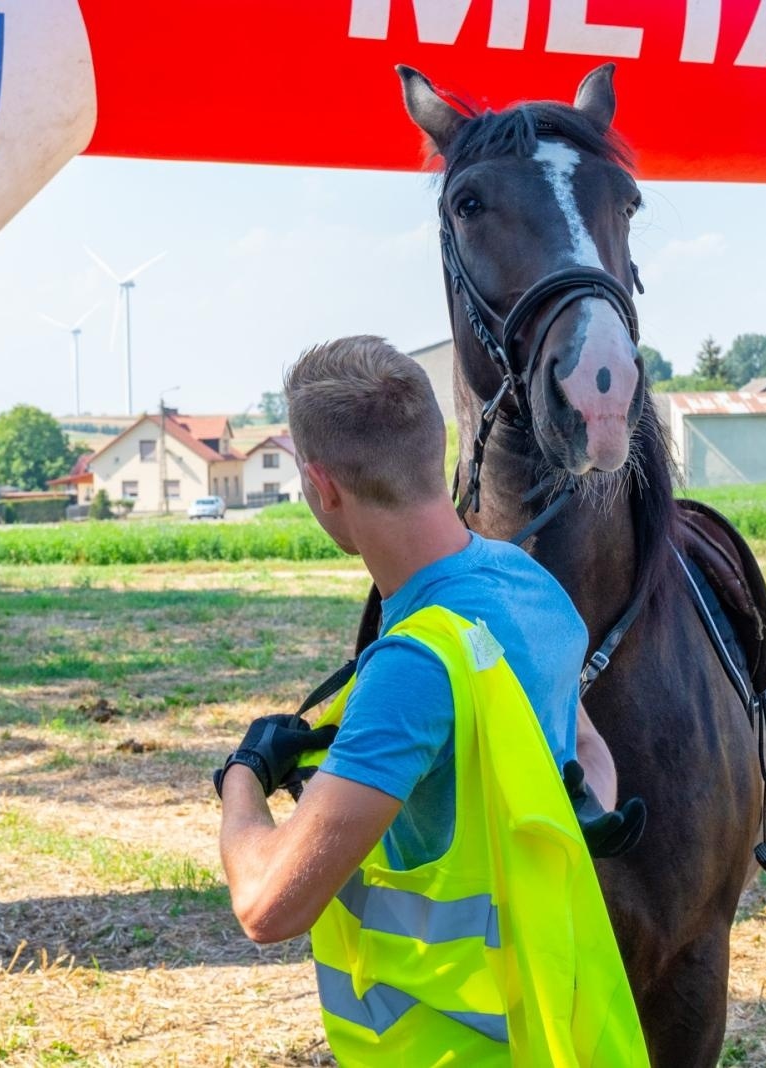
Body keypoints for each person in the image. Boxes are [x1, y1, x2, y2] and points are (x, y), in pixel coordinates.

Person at [215, 336, 648, 1065]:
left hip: (450, 1046)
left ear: (322, 487)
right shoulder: (529, 585)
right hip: (549, 1025)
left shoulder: (414, 666)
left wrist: (243, 777)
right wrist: (577, 818)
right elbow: (588, 748)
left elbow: (267, 906)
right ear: (434, 448)